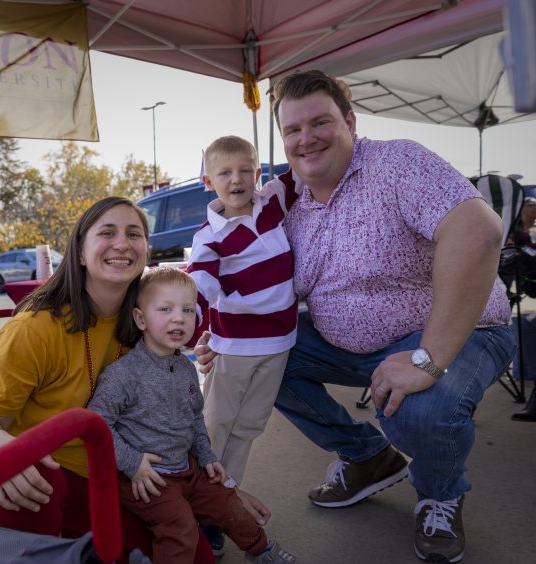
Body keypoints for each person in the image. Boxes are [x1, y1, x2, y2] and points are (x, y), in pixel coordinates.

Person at [196, 70, 515, 563]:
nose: (306, 140)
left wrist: (427, 358)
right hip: (348, 345)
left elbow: (479, 233)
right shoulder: (287, 200)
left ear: (349, 121)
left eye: (320, 122)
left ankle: (440, 493)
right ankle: (368, 457)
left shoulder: (397, 163)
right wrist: (219, 333)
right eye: (292, 131)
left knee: (421, 408)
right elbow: (248, 270)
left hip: (459, 333)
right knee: (257, 361)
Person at [0, 197, 262, 563]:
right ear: (80, 252)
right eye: (107, 233)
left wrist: (222, 494)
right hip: (23, 480)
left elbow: (174, 418)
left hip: (108, 478)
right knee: (41, 480)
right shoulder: (34, 330)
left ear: (144, 252)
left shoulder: (144, 323)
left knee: (194, 556)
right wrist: (7, 456)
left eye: (133, 234)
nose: (122, 243)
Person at [88, 267, 296, 564]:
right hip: (147, 478)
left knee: (228, 503)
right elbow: (97, 424)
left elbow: (195, 418)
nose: (179, 318)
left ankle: (260, 550)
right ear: (140, 319)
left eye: (187, 310)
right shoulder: (123, 374)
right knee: (180, 528)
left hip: (189, 468)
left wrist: (208, 457)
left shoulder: (186, 368)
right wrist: (132, 462)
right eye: (165, 309)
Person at [186, 135, 301, 555]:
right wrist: (186, 323)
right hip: (233, 349)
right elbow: (200, 284)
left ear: (258, 174)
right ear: (207, 181)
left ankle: (222, 506)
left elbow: (301, 170)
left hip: (279, 342)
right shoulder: (209, 238)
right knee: (214, 432)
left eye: (245, 170)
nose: (236, 180)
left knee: (248, 430)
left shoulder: (271, 202)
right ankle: (205, 513)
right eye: (225, 172)